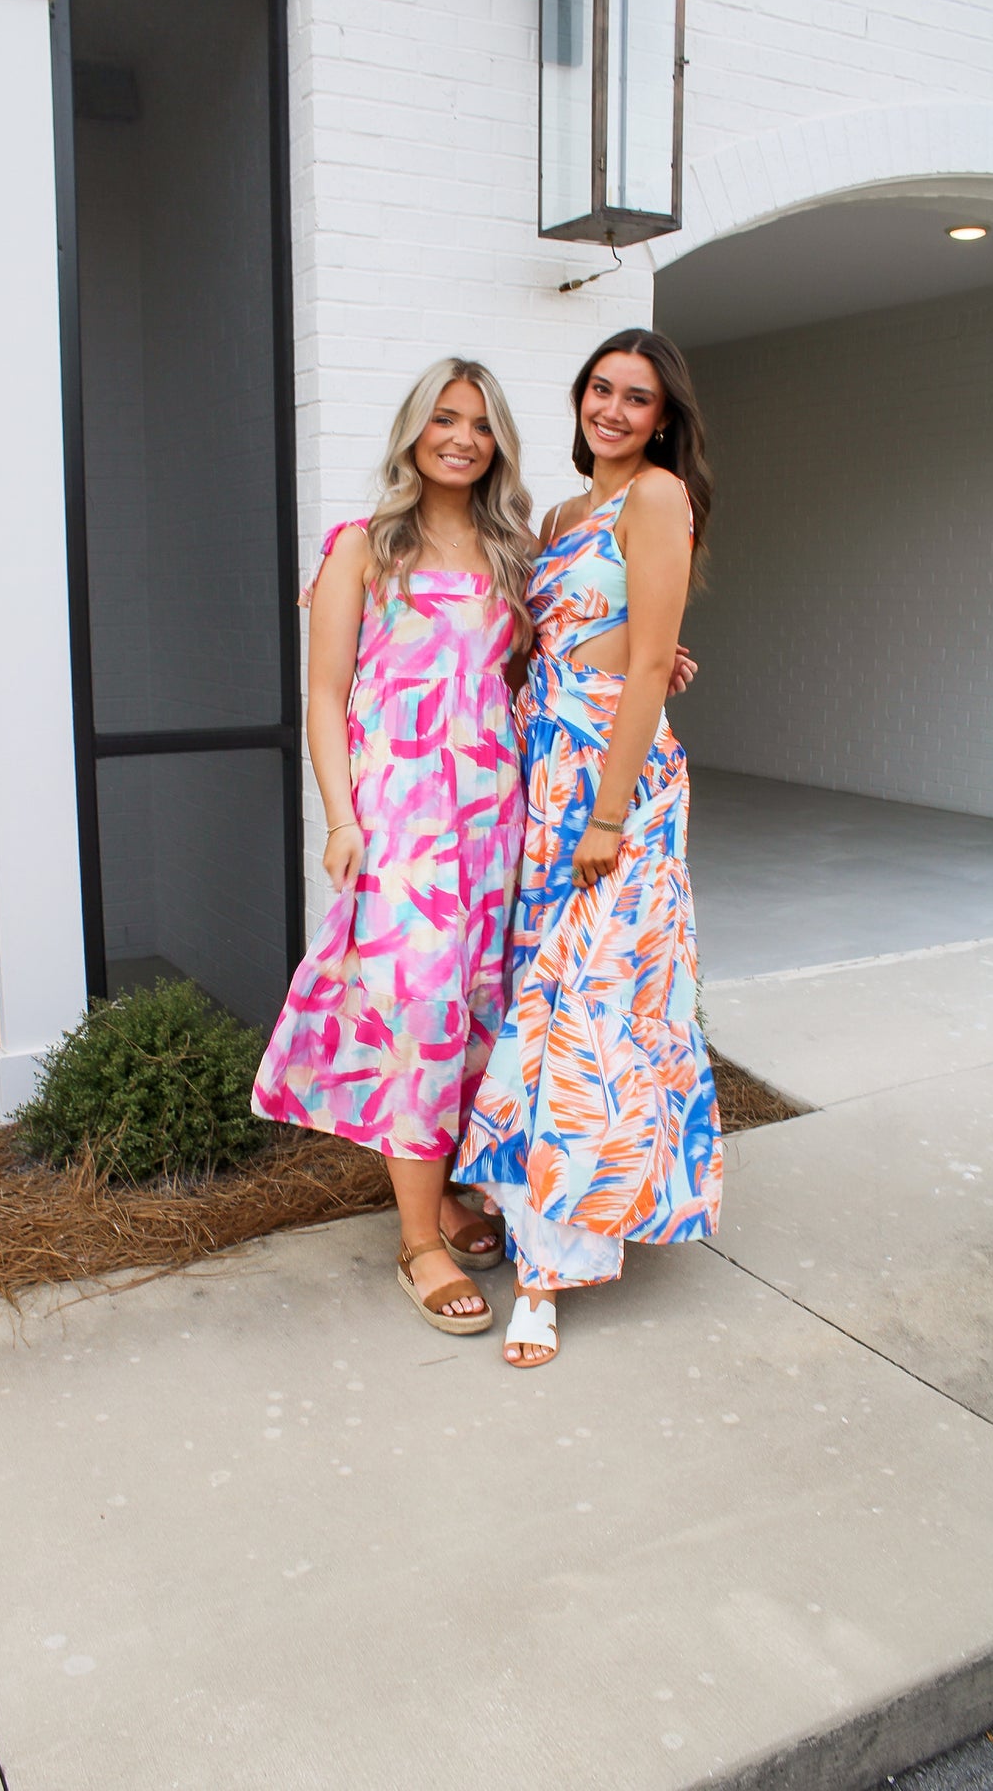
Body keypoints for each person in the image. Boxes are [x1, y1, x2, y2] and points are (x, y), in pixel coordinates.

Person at [453, 329, 724, 1368]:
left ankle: (546, 1278)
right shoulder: (560, 514)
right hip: (545, 770)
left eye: (637, 398)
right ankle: (539, 1215)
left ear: (663, 418)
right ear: (580, 398)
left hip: (618, 789)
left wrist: (607, 816)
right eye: (601, 390)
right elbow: (567, 634)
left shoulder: (656, 496)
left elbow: (648, 657)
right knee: (543, 998)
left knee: (596, 1016)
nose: (613, 409)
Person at [252, 358, 535, 1335]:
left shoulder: (511, 551)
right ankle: (418, 1242)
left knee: (478, 1014)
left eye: (481, 424)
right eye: (446, 419)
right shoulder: (362, 548)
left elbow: (548, 667)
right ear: (415, 427)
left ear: (498, 443)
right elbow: (323, 695)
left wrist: (652, 655)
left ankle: (443, 1197)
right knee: (417, 1013)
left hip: (499, 816)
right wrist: (340, 818)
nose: (462, 437)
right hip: (404, 822)